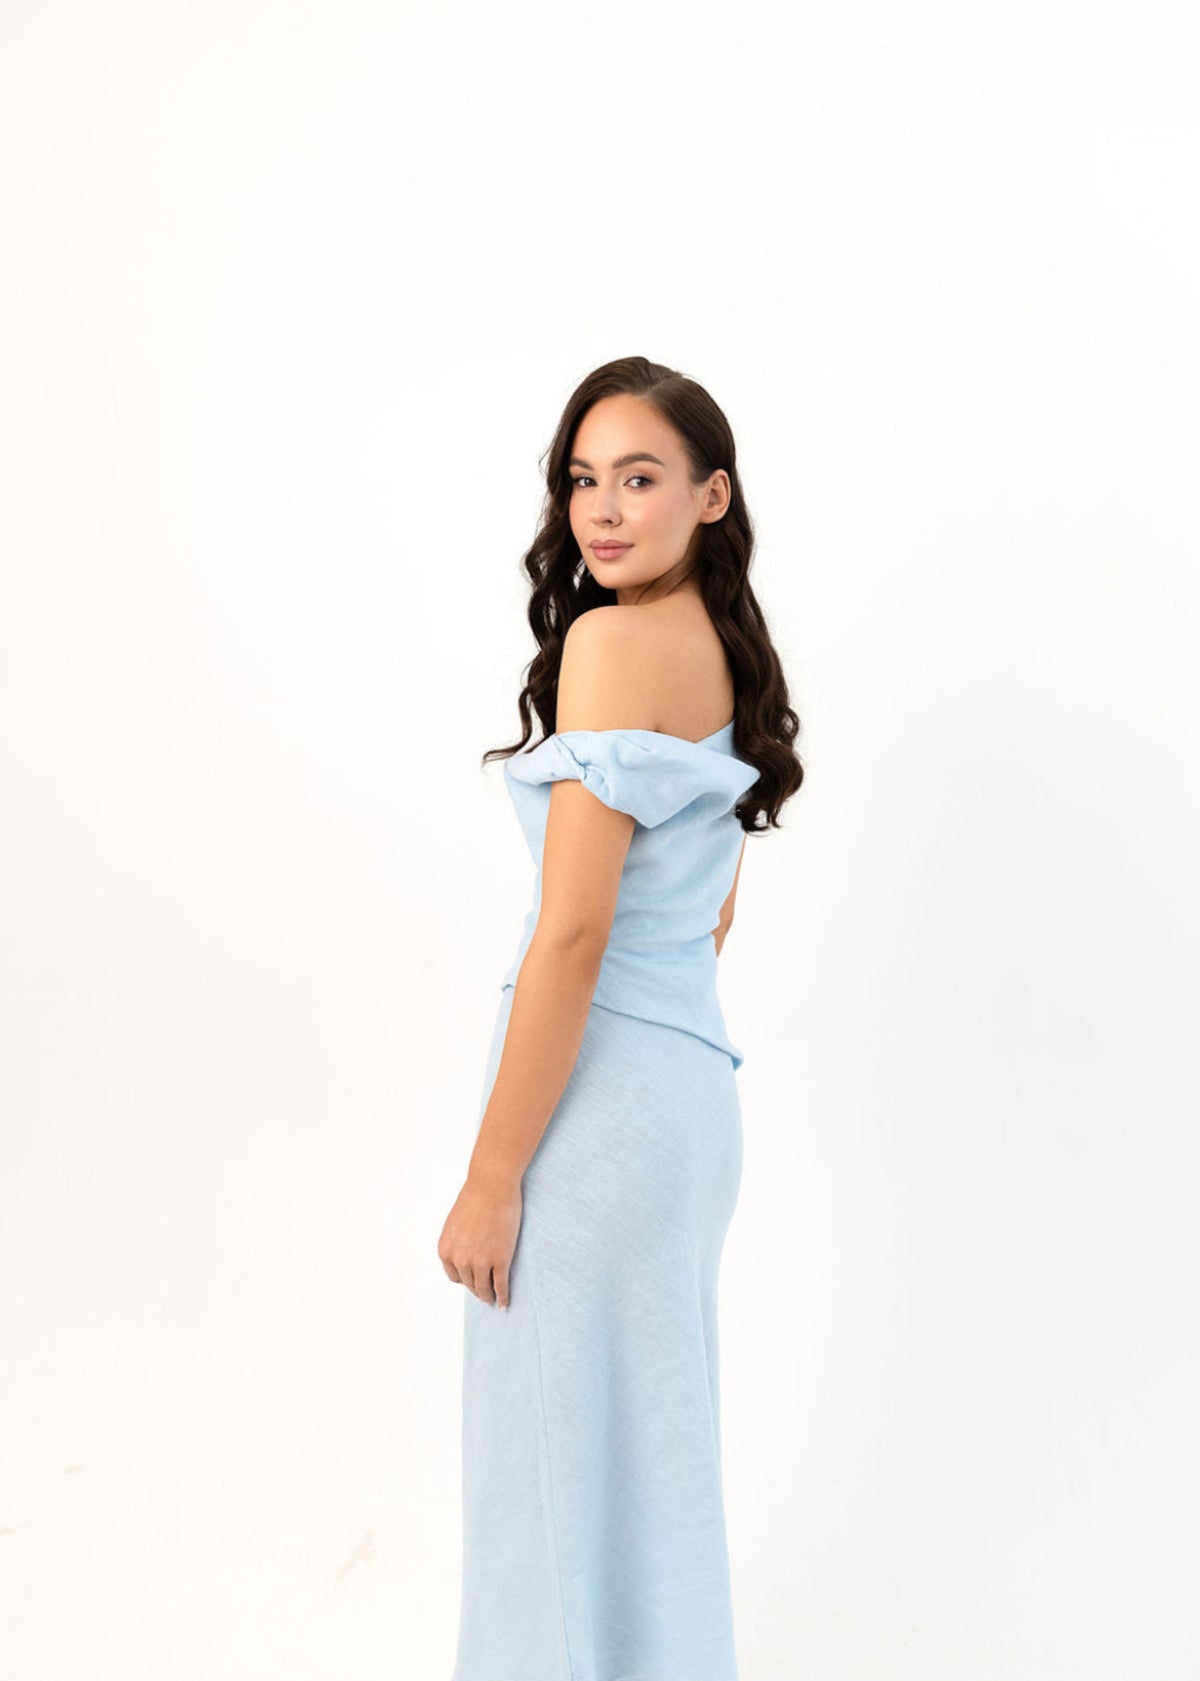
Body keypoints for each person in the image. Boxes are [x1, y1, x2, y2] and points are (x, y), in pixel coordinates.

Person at [438, 355, 804, 1680]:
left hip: (592, 1121)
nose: (601, 507)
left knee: (545, 1491)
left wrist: (493, 1174)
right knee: (651, 1481)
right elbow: (708, 914)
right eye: (584, 479)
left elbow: (576, 932)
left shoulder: (605, 645)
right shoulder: (725, 656)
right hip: (686, 1109)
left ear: (712, 494)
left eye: (639, 477)